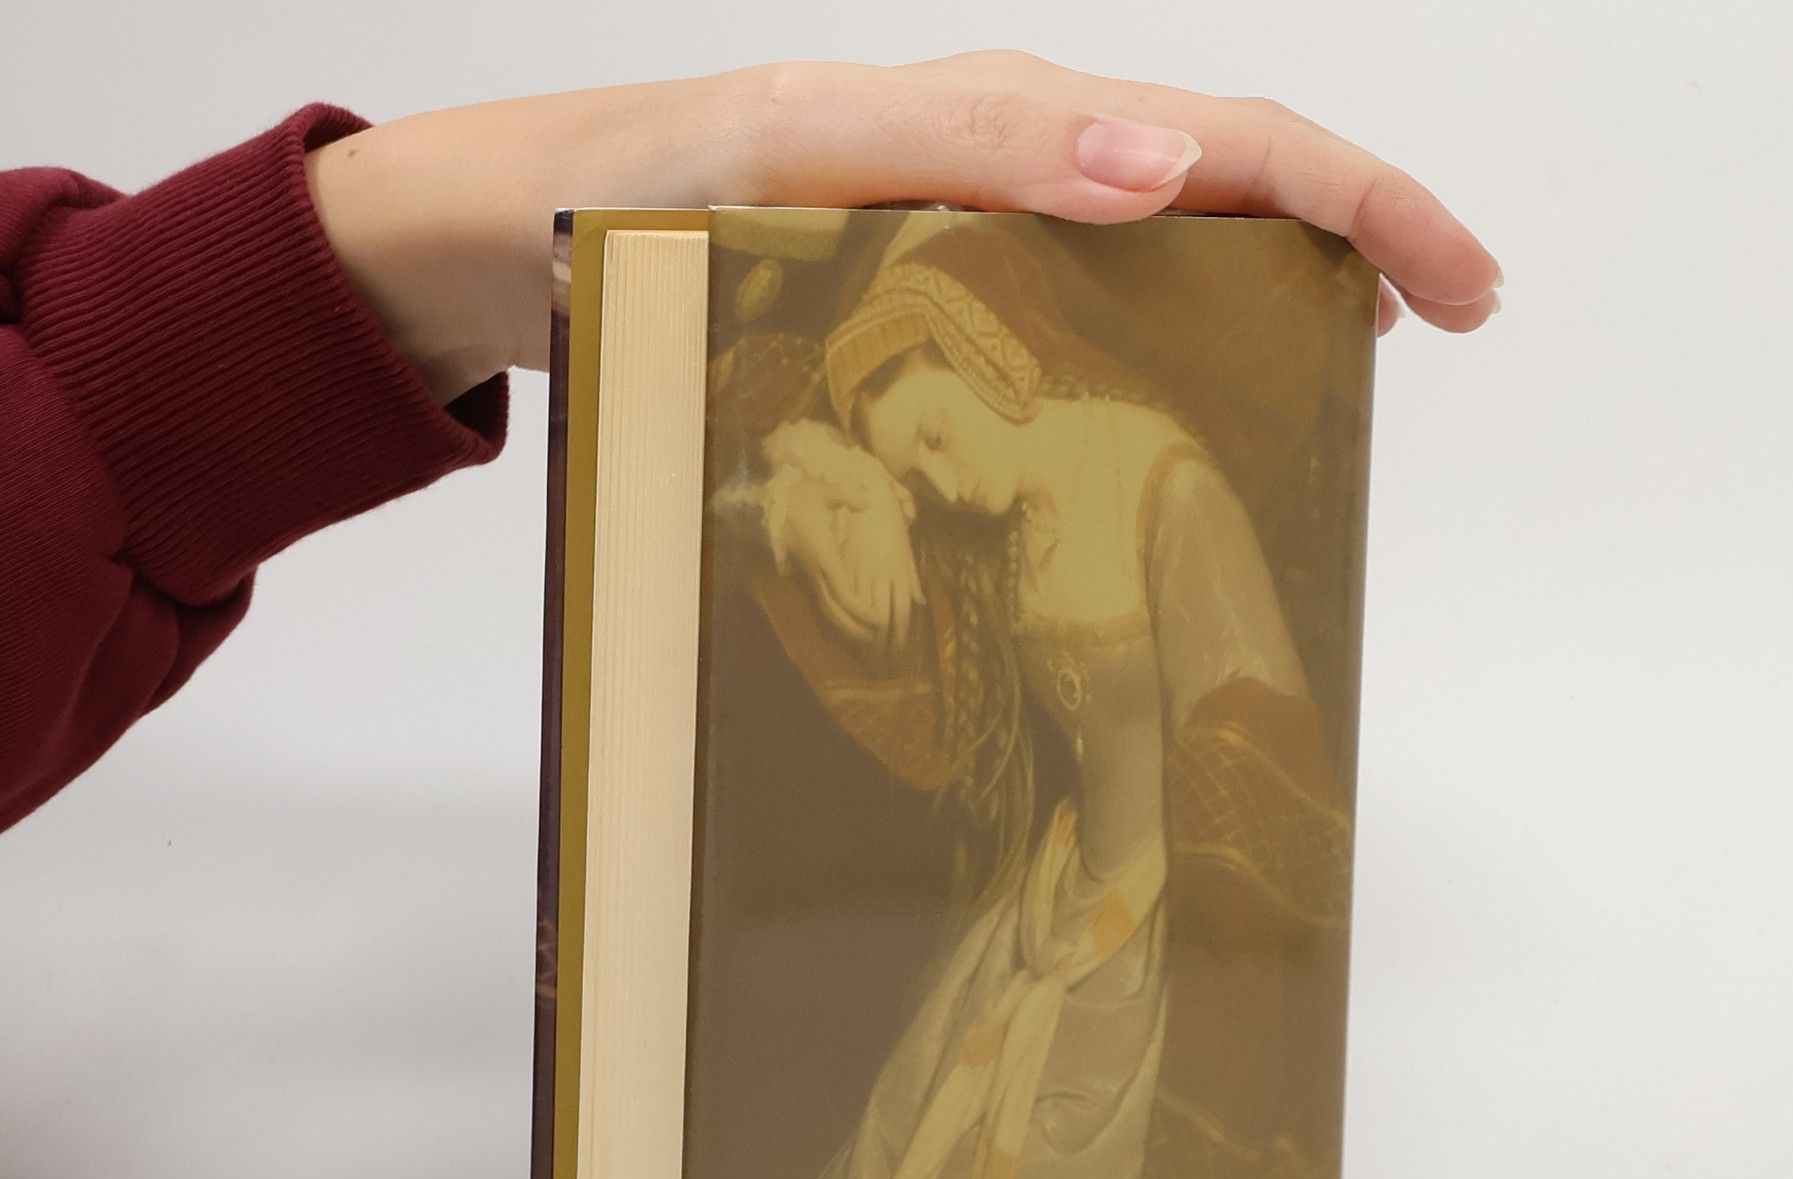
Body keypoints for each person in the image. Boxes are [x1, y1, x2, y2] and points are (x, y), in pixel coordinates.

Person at [0, 54, 1498, 836]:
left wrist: (360, 261)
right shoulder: (972, 544)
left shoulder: (1151, 484)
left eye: (927, 432)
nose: (932, 486)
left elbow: (1244, 747)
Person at [696, 217, 1364, 1179]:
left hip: (1164, 923)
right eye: (915, 472)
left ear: (995, 359)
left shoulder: (1173, 491)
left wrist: (1153, 930)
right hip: (1058, 897)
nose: (945, 486)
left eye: (938, 436)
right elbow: (946, 708)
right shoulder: (1005, 523)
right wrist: (814, 488)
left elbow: (1254, 775)